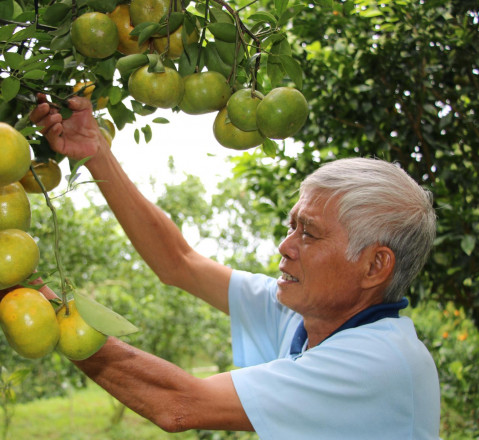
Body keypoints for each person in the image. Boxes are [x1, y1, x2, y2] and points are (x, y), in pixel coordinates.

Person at [29, 95, 441, 439]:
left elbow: (177, 405)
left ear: (374, 266)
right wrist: (97, 153)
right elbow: (179, 262)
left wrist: (29, 298)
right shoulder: (301, 315)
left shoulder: (378, 361)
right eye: (291, 226)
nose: (285, 246)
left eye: (309, 233)